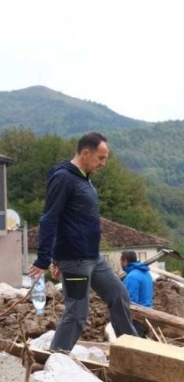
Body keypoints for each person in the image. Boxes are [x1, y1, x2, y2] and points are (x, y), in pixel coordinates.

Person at [28, 132, 141, 352]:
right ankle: (55, 359)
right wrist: (44, 258)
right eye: (100, 158)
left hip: (92, 257)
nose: (103, 163)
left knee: (119, 295)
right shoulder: (64, 178)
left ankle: (133, 351)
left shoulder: (83, 178)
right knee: (77, 313)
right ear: (85, 153)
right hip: (75, 260)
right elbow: (50, 218)